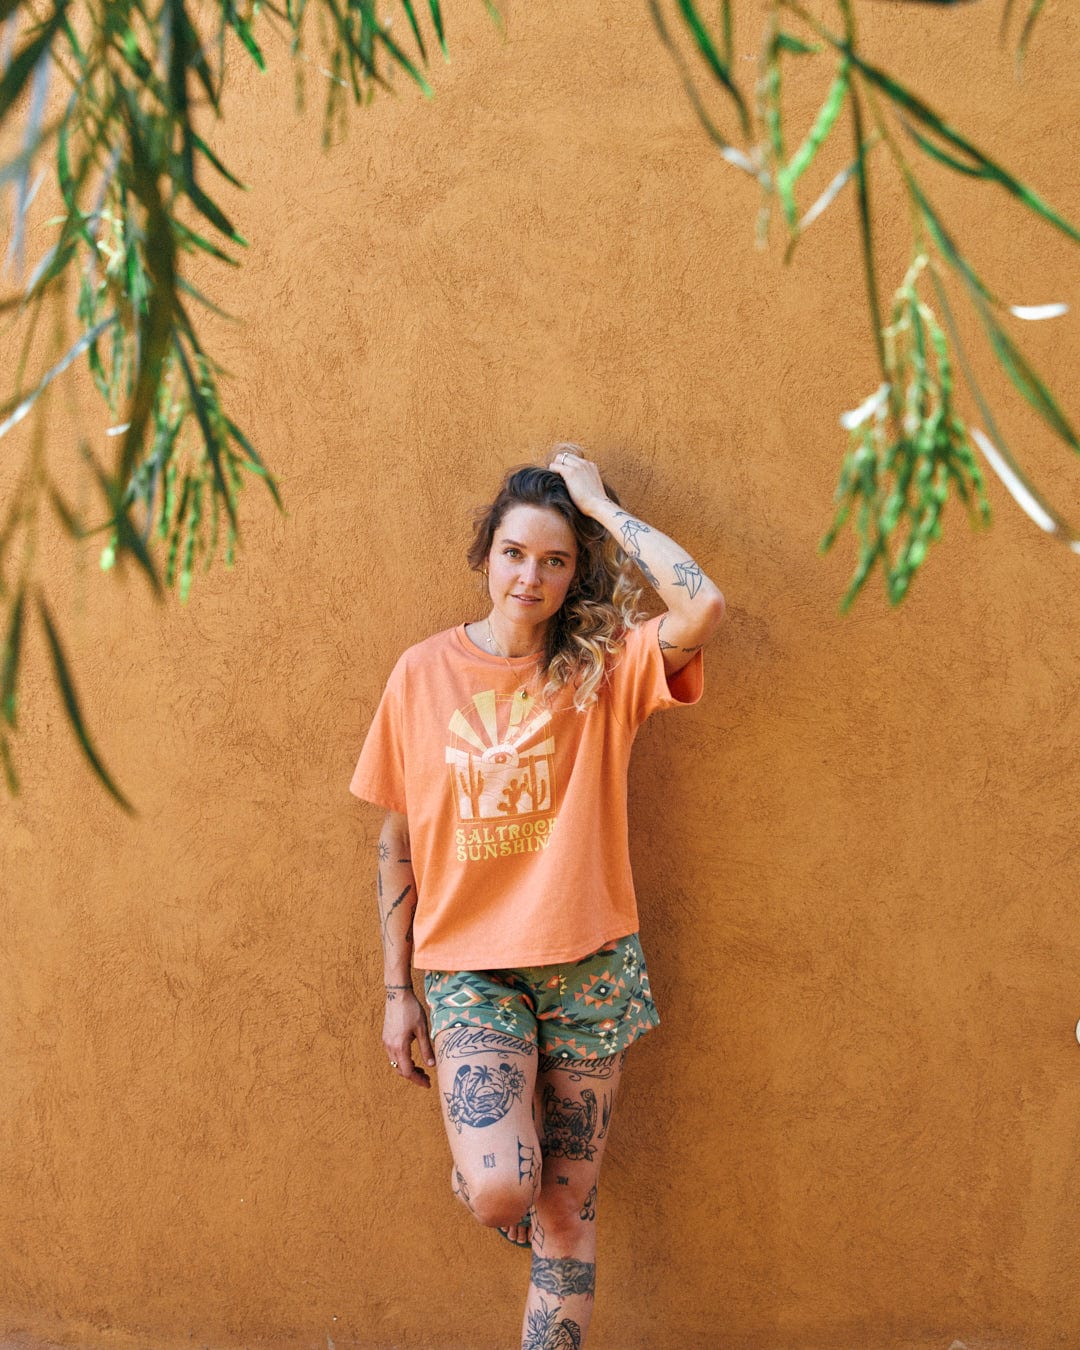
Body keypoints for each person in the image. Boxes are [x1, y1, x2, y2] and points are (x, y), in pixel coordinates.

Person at [349, 445, 724, 1349]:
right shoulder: (421, 674)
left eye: (556, 559)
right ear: (486, 554)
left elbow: (703, 605)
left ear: (575, 570)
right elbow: (397, 840)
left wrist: (597, 504)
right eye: (516, 552)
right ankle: (489, 1166)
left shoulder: (604, 671)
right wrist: (400, 993)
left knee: (566, 1213)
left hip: (590, 968)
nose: (532, 575)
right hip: (471, 969)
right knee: (503, 1191)